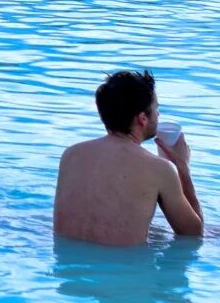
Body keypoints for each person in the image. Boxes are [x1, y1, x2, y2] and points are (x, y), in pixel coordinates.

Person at [53, 68, 203, 247]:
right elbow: (193, 234)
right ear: (142, 119)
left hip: (68, 270)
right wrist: (182, 168)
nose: (158, 115)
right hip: (124, 271)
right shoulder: (159, 169)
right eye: (156, 109)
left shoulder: (71, 156)